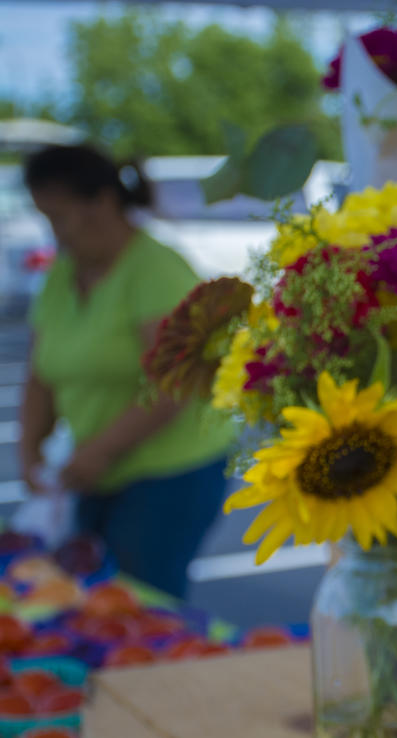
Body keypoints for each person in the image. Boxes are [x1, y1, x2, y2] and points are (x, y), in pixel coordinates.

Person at [19, 144, 235, 598]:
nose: (54, 231)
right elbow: (41, 373)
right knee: (87, 594)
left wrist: (101, 450)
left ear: (102, 202)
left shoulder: (156, 269)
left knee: (140, 601)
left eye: (60, 216)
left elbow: (173, 382)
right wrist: (29, 450)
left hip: (170, 472)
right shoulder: (63, 273)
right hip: (97, 469)